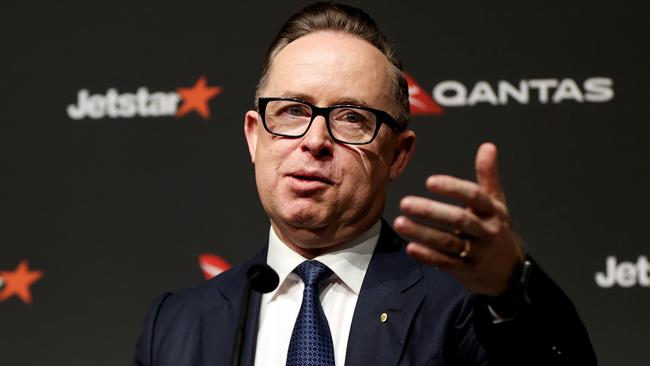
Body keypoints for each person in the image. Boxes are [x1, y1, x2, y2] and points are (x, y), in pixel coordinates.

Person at [132, 3, 596, 365]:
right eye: (293, 111)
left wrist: (512, 290)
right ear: (255, 135)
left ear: (398, 154)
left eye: (351, 117)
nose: (315, 140)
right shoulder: (176, 323)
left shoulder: (466, 306)